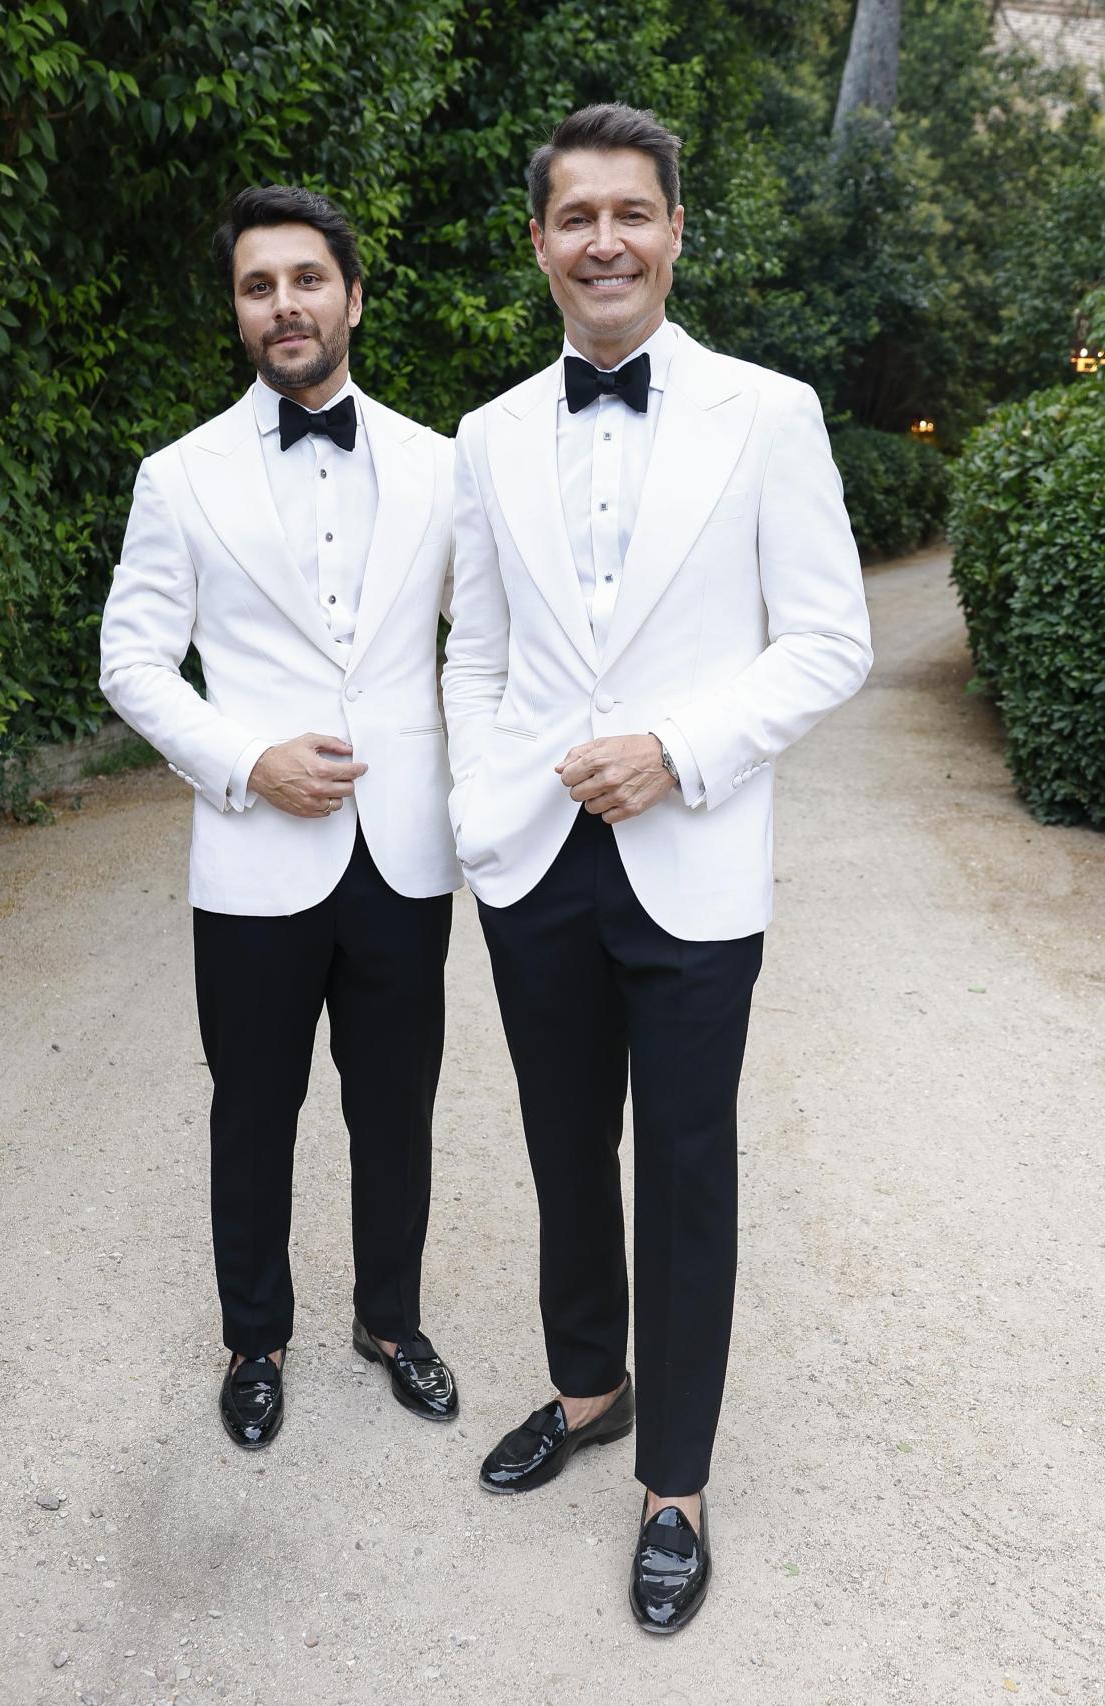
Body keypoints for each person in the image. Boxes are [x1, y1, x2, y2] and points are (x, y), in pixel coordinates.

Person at [442, 104, 872, 1632]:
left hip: (692, 854)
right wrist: (482, 811)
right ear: (542, 240)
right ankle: (588, 1387)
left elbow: (831, 638)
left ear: (677, 231)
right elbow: (475, 650)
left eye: (634, 212)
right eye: (577, 217)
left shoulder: (771, 412)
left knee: (687, 1169)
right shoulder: (488, 436)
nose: (605, 240)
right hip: (536, 859)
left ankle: (674, 1480)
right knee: (565, 1147)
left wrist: (679, 748)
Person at [101, 184, 461, 1454]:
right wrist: (246, 757)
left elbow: (490, 647)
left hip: (404, 849)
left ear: (352, 297)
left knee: (396, 1104)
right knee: (252, 1105)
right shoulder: (178, 475)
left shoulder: (441, 464)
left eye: (306, 279)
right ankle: (253, 1335)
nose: (283, 305)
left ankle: (391, 1318)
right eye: (258, 287)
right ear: (238, 313)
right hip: (252, 854)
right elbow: (132, 661)